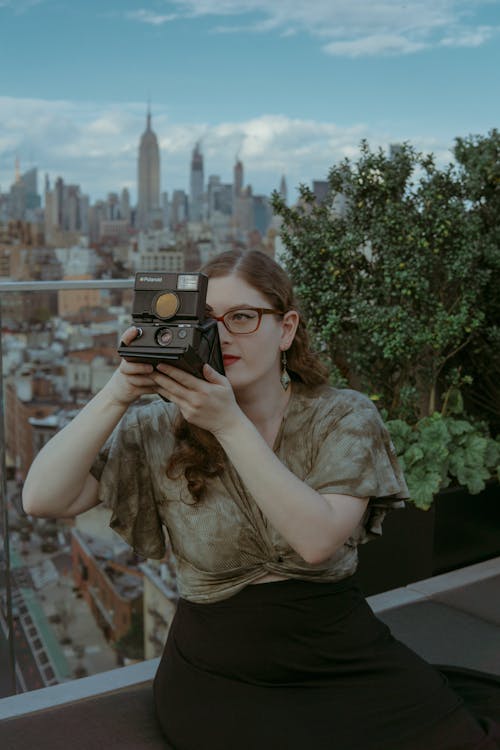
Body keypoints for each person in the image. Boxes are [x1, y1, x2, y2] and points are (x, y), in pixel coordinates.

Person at [23, 249, 500, 750]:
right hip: (217, 673)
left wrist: (228, 423)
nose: (221, 334)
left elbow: (316, 540)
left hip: (338, 650)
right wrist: (119, 390)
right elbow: (41, 498)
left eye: (243, 317)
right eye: (202, 320)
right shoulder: (158, 428)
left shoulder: (342, 417)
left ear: (286, 328)